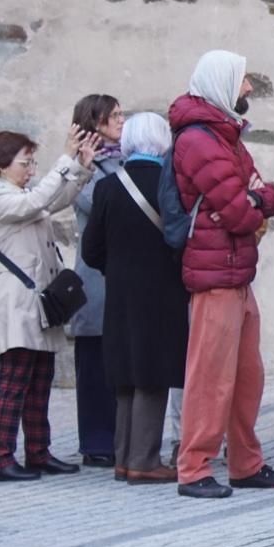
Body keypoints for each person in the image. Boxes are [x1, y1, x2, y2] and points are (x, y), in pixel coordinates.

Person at [170, 50, 274, 499]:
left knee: (247, 376)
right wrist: (252, 203)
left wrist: (253, 201)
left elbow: (262, 196)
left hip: (236, 271)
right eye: (243, 80)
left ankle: (245, 463)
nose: (248, 89)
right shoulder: (201, 141)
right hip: (215, 274)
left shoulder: (225, 137)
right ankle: (194, 467)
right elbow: (241, 211)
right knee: (210, 377)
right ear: (223, 82)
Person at [79, 112, 188, 484]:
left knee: (126, 375)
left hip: (120, 293)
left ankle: (124, 457)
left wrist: (118, 269)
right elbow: (181, 238)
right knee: (153, 375)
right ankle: (145, 460)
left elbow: (91, 250)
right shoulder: (169, 183)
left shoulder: (108, 187)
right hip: (161, 292)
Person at [0, 126, 98, 481]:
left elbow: (53, 201)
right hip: (15, 297)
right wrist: (64, 160)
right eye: (25, 163)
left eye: (33, 163)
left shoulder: (19, 192)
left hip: (39, 298)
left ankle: (38, 452)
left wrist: (80, 167)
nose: (31, 170)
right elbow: (34, 203)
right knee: (13, 379)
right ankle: (0, 458)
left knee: (40, 378)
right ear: (2, 165)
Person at [68, 93, 126, 468]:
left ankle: (122, 436)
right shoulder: (79, 168)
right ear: (95, 123)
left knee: (119, 359)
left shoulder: (127, 161)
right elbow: (91, 204)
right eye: (114, 116)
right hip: (95, 277)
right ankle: (96, 440)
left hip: (123, 278)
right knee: (92, 361)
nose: (122, 121)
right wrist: (84, 165)